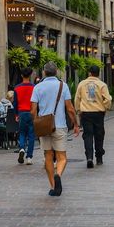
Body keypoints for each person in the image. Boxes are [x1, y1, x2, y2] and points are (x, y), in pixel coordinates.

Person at [31, 61, 79, 196]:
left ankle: (53, 186)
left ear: (44, 72)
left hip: (44, 127)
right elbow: (69, 108)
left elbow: (33, 110)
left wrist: (35, 123)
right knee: (62, 157)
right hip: (60, 125)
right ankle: (58, 174)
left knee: (48, 155)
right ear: (56, 72)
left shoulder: (38, 87)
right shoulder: (63, 86)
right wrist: (75, 124)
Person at [74, 63, 112, 167]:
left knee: (88, 135)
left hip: (86, 113)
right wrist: (105, 107)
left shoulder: (82, 84)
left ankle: (89, 157)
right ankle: (99, 158)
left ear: (89, 73)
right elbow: (108, 99)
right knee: (99, 135)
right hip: (98, 113)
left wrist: (78, 110)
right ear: (98, 74)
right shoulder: (102, 85)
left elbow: (77, 98)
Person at [12, 69, 36, 164]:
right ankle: (29, 157)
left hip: (21, 113)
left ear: (21, 75)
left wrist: (16, 114)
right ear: (30, 75)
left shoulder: (17, 88)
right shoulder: (34, 87)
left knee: (22, 133)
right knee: (31, 135)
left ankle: (22, 148)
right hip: (31, 112)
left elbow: (15, 103)